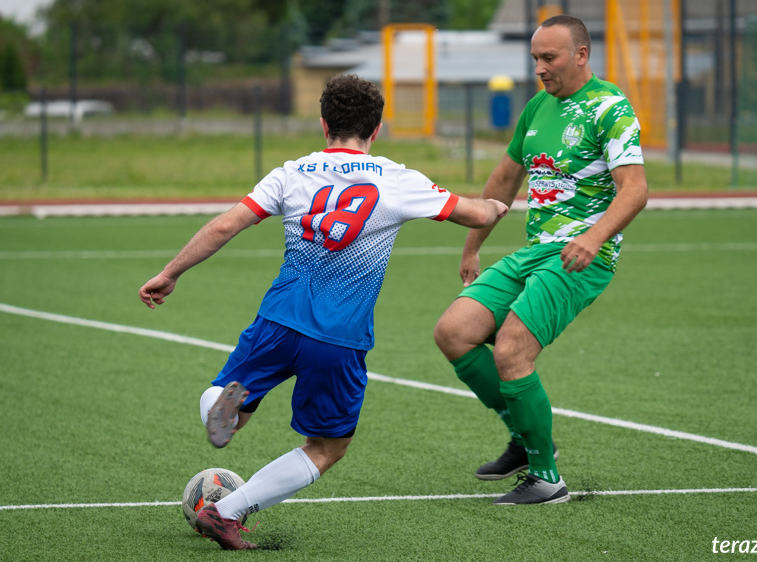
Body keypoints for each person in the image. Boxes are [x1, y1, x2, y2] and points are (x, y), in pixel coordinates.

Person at [138, 74, 508, 550]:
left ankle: (220, 408)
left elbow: (225, 225)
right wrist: (496, 205)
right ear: (376, 130)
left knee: (236, 408)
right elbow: (475, 214)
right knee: (327, 447)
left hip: (277, 321)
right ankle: (227, 512)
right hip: (338, 340)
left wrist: (171, 273)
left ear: (323, 124)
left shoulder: (292, 172)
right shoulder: (398, 179)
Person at [433, 15, 648, 505]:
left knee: (511, 350)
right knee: (454, 331)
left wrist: (594, 238)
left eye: (548, 58)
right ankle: (525, 438)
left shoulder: (609, 108)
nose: (539, 68)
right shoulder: (536, 108)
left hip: (580, 257)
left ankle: (547, 479)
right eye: (535, 58)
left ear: (581, 55)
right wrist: (472, 245)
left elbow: (635, 190)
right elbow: (505, 180)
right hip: (535, 252)